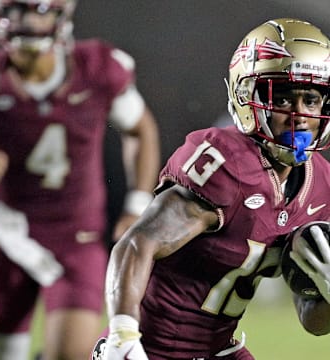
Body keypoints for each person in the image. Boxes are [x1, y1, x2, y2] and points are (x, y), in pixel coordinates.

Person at [97, 18, 330, 360]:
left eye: (311, 100)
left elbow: (313, 321)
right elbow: (136, 244)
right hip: (150, 348)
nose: (299, 115)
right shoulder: (227, 164)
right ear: (245, 95)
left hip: (219, 350)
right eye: (281, 98)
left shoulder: (320, 184)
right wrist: (122, 336)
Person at [0, 0, 161, 359]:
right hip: (7, 233)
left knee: (71, 355)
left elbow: (141, 129)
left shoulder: (97, 69)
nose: (26, 22)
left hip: (76, 236)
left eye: (36, 11)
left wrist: (137, 204)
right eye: (16, 11)